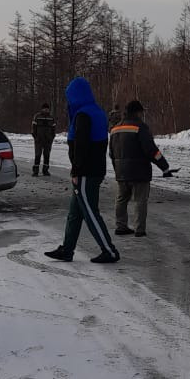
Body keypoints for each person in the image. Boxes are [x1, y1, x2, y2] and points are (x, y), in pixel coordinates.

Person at [44, 77, 119, 265]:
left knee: (90, 213)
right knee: (75, 213)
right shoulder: (97, 112)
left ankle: (109, 251)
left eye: (69, 97)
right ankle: (67, 250)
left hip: (86, 172)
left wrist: (76, 171)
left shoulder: (83, 115)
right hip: (93, 169)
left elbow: (81, 145)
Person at [108, 100, 171, 238]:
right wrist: (164, 167)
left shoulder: (115, 128)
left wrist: (117, 168)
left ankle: (120, 226)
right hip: (139, 172)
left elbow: (111, 153)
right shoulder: (140, 127)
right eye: (141, 112)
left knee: (121, 199)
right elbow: (151, 150)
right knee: (140, 200)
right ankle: (139, 229)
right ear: (137, 112)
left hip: (121, 172)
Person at [30, 102, 56, 175]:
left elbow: (53, 128)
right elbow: (33, 128)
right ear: (42, 109)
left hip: (48, 140)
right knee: (38, 155)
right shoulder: (37, 116)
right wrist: (35, 137)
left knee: (47, 155)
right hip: (39, 140)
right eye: (44, 108)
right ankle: (35, 171)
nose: (46, 110)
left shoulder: (51, 117)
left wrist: (52, 137)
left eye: (47, 109)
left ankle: (45, 170)